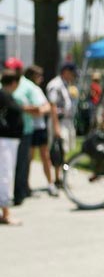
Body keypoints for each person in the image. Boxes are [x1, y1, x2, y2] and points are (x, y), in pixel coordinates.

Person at [3, 57, 49, 206]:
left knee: (22, 164)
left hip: (23, 131)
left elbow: (42, 108)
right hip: (5, 133)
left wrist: (19, 108)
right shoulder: (3, 83)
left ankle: (19, 194)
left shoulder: (28, 86)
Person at [24, 65, 59, 197]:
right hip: (30, 128)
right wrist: (38, 109)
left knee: (45, 156)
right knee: (29, 158)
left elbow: (46, 107)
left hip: (40, 127)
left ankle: (50, 183)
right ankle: (26, 185)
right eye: (39, 76)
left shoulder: (38, 90)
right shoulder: (26, 88)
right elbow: (30, 108)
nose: (41, 78)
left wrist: (39, 110)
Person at [46, 62, 78, 187]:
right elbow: (52, 106)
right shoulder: (55, 84)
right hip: (59, 121)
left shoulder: (66, 84)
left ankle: (61, 177)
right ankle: (57, 178)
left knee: (64, 149)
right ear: (65, 72)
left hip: (67, 121)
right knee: (57, 150)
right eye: (72, 74)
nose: (73, 76)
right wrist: (56, 127)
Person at [0, 70, 24, 225]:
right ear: (14, 82)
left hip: (9, 139)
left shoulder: (5, 95)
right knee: (5, 175)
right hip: (5, 140)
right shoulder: (3, 95)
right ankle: (5, 212)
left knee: (5, 174)